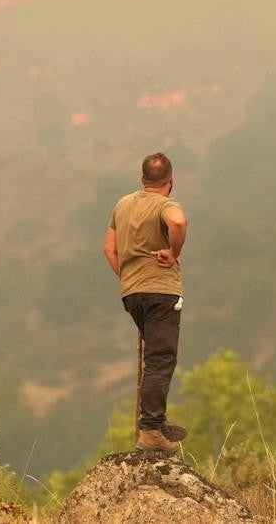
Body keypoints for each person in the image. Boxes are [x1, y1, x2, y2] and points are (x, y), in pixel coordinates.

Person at [103, 152, 189, 452]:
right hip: (161, 290)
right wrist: (173, 252)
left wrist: (127, 277)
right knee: (160, 358)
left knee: (152, 355)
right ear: (171, 181)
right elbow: (178, 222)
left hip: (132, 293)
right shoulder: (167, 204)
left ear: (142, 179)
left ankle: (156, 420)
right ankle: (151, 430)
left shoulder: (123, 205)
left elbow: (108, 249)